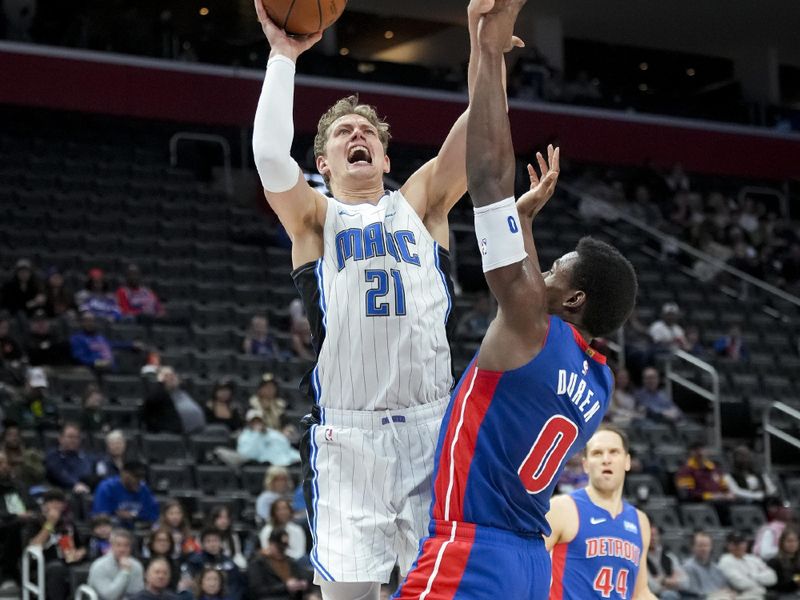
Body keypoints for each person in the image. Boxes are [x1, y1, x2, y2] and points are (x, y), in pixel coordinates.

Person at [396, 2, 637, 598]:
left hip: (471, 546)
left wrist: (487, 51)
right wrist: (522, 224)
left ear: (574, 297)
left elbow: (487, 175)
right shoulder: (598, 381)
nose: (543, 268)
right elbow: (532, 293)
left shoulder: (531, 322)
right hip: (527, 565)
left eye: (555, 268)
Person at [252, 0, 489, 587]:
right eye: (342, 133)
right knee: (350, 595)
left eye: (368, 133)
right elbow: (265, 156)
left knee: (438, 593)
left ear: (384, 156)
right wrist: (283, 57)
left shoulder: (421, 203)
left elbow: (480, 130)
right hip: (347, 439)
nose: (357, 135)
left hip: (432, 430)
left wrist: (485, 49)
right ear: (324, 162)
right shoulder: (313, 219)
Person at [546, 427, 655, 599]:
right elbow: (524, 565)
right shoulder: (562, 508)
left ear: (627, 461)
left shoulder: (640, 521)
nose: (606, 459)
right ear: (586, 465)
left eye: (614, 452)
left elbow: (640, 592)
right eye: (597, 453)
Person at [24, 488, 87, 600]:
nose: (55, 505)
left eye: (59, 502)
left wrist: (80, 553)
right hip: (43, 565)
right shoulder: (34, 521)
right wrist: (50, 523)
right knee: (57, 568)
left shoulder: (68, 523)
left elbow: (82, 546)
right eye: (51, 502)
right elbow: (34, 546)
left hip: (68, 561)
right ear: (44, 505)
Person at [0, 450, 37, 586]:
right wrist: (16, 516)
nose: (4, 466)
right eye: (0, 463)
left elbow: (33, 506)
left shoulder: (18, 486)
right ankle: (9, 573)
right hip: (5, 526)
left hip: (24, 525)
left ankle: (33, 573)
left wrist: (31, 514)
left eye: (6, 463)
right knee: (15, 525)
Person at [92, 460, 160, 528]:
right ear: (124, 474)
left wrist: (133, 515)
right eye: (136, 476)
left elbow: (153, 515)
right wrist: (116, 515)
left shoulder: (143, 488)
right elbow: (100, 516)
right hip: (113, 530)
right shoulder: (107, 487)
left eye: (142, 477)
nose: (139, 480)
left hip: (136, 529)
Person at [247, 528, 310, 600]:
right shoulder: (257, 563)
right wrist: (285, 587)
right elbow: (258, 590)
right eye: (279, 548)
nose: (281, 551)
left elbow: (301, 578)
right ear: (270, 543)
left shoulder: (289, 561)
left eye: (284, 548)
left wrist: (301, 584)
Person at [141, 366, 205, 434]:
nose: (171, 378)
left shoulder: (185, 391)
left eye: (172, 375)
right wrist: (160, 384)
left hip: (198, 431)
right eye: (166, 376)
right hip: (174, 434)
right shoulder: (158, 396)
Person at [87, 528, 145, 600]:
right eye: (118, 545)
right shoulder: (99, 566)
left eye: (126, 545)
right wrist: (125, 572)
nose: (122, 549)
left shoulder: (136, 566)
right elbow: (110, 597)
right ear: (111, 546)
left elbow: (138, 594)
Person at [718, 532, 777, 599]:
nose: (739, 546)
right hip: (740, 596)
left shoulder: (753, 558)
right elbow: (741, 584)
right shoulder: (725, 561)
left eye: (741, 543)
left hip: (760, 594)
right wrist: (761, 580)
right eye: (735, 544)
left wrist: (753, 576)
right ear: (728, 545)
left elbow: (773, 577)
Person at [682, 531, 738, 600]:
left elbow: (725, 587)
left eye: (706, 545)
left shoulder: (716, 568)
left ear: (711, 547)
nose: (704, 549)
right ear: (692, 547)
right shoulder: (688, 567)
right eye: (700, 546)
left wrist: (730, 593)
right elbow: (695, 594)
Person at [44, 422, 93, 494]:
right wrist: (75, 484)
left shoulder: (86, 456)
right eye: (70, 437)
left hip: (83, 491)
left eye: (76, 437)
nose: (73, 440)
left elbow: (87, 473)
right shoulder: (52, 455)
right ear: (60, 438)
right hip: (59, 492)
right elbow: (59, 474)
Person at [645, 524, 689, 600]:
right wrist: (672, 581)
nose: (653, 538)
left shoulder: (670, 557)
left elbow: (685, 583)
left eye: (655, 535)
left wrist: (663, 580)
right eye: (650, 535)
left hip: (675, 594)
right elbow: (653, 587)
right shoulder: (641, 560)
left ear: (659, 536)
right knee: (669, 595)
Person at [766, 526, 800, 597]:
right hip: (782, 594)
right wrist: (796, 580)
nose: (792, 544)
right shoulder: (774, 562)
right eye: (789, 541)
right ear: (782, 543)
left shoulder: (797, 560)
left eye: (795, 541)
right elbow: (775, 585)